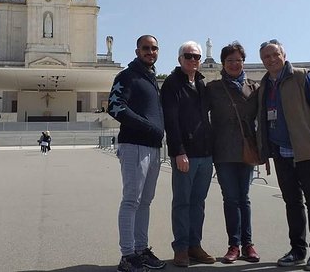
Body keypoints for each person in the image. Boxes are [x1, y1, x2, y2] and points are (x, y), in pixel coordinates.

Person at [257, 39, 310, 271]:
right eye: (266, 57)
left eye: (274, 54)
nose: (271, 59)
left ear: (284, 54)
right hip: (280, 151)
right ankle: (297, 249)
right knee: (292, 202)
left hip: (305, 149)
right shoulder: (265, 84)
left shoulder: (302, 76)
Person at [108, 35, 166, 272]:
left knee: (146, 202)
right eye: (145, 48)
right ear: (137, 50)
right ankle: (127, 254)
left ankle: (141, 249)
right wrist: (146, 125)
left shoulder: (151, 78)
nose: (150, 52)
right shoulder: (127, 76)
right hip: (133, 145)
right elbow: (114, 106)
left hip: (153, 148)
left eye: (154, 48)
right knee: (131, 200)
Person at [206, 41, 261, 264]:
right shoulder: (213, 88)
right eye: (230, 60)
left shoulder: (254, 87)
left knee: (244, 198)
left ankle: (248, 244)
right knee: (230, 198)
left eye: (238, 60)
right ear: (223, 63)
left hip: (247, 150)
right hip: (224, 150)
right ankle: (234, 245)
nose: (234, 64)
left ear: (243, 62)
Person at [161, 41, 215, 267]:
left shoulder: (202, 84)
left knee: (198, 203)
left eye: (196, 57)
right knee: (182, 203)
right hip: (185, 154)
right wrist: (178, 151)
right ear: (179, 58)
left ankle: (195, 245)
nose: (193, 60)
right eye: (188, 56)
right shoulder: (171, 84)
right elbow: (171, 122)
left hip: (205, 153)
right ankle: (181, 248)